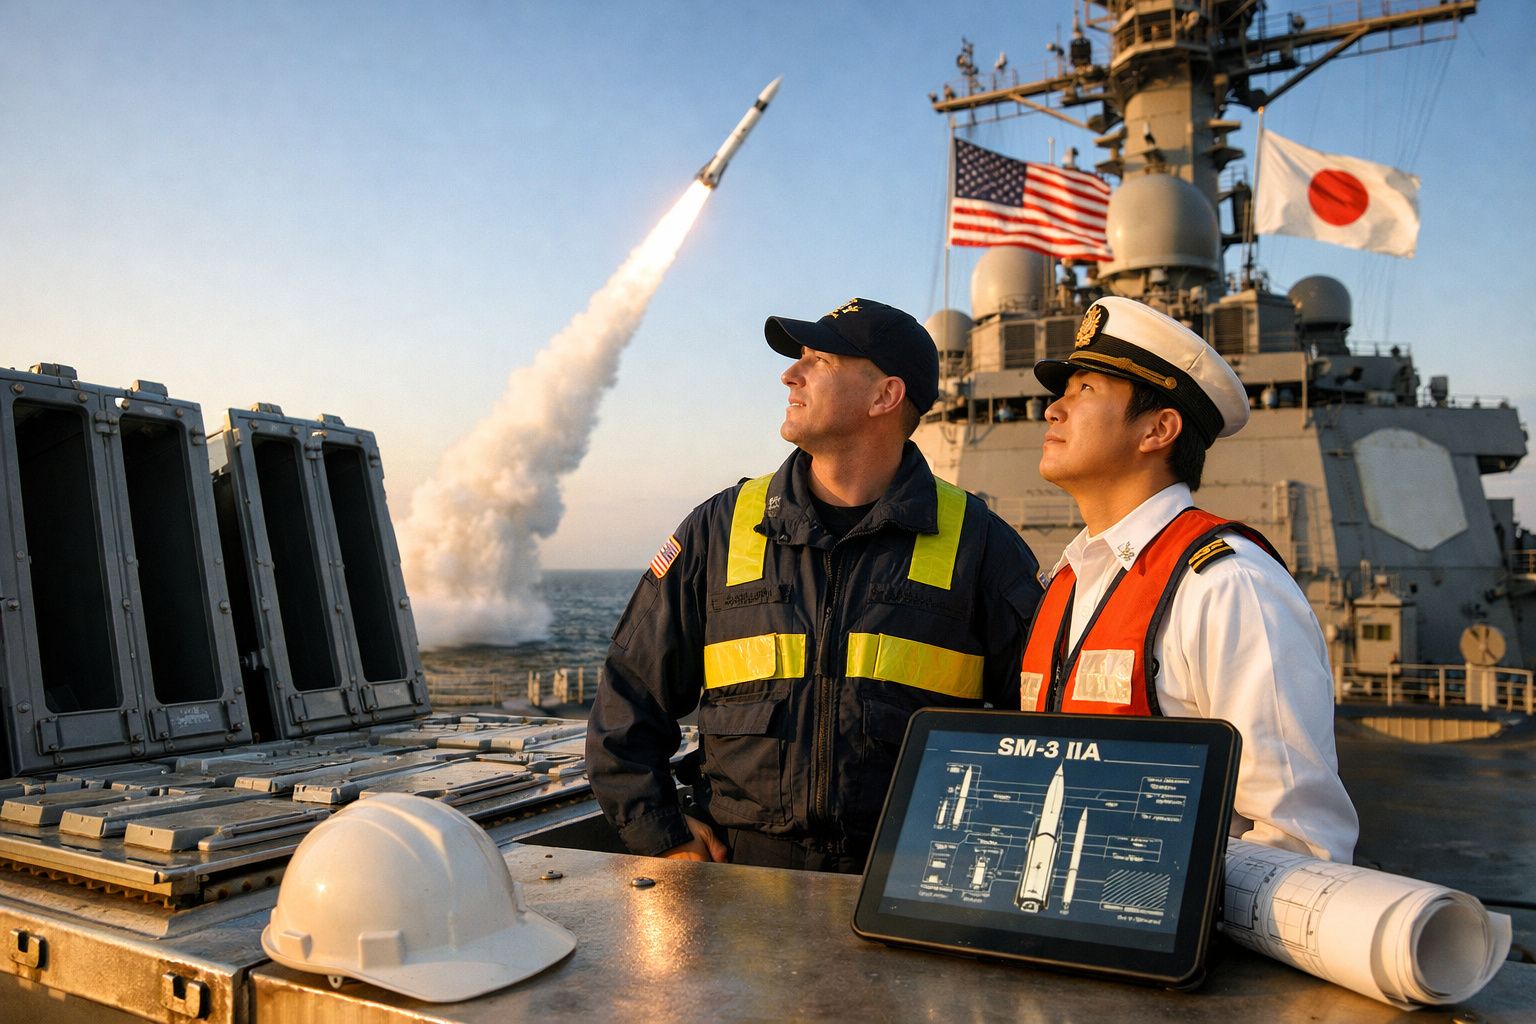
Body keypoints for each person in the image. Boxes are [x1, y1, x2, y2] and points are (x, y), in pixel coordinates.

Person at [586, 297, 1042, 872]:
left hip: (906, 886)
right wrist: (663, 834)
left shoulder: (981, 545)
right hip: (742, 878)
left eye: (819, 360)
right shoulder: (722, 529)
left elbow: (1040, 730)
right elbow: (628, 697)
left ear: (885, 396)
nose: (788, 374)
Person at [1024, 295, 1358, 862]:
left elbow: (1300, 842)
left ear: (1158, 429)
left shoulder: (1227, 586)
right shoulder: (1069, 581)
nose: (1053, 409)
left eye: (1085, 391)